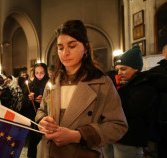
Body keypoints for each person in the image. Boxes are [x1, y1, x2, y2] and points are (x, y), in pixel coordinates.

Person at [35, 20, 128, 158]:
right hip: (47, 152)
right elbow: (42, 110)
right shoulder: (53, 81)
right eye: (60, 48)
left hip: (81, 153)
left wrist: (77, 135)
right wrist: (42, 121)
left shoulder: (101, 82)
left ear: (85, 48)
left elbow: (118, 125)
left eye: (72, 46)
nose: (65, 53)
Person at [103, 46, 167, 158]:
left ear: (136, 68)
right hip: (113, 135)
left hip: (130, 137)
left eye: (123, 69)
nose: (119, 73)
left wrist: (116, 92)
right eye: (118, 69)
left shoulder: (146, 87)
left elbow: (130, 110)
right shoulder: (124, 84)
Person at [26, 63, 49, 158]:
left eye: (42, 72)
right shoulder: (31, 84)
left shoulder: (49, 83)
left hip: (46, 115)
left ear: (46, 72)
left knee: (45, 140)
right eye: (37, 73)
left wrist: (44, 99)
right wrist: (29, 98)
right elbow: (23, 104)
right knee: (33, 140)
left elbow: (54, 99)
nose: (39, 75)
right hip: (33, 116)